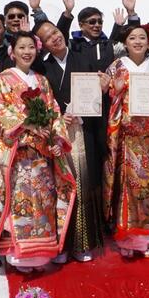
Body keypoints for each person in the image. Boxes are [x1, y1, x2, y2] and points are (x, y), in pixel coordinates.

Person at [0, 31, 76, 270]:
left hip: (42, 153)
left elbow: (54, 110)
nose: (26, 52)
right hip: (19, 153)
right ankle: (19, 254)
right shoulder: (3, 79)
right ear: (12, 52)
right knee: (20, 202)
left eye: (30, 47)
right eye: (21, 48)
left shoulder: (42, 80)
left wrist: (56, 137)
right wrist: (26, 124)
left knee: (43, 201)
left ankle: (42, 253)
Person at [33, 19, 109, 260]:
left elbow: (98, 90)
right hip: (60, 134)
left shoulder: (84, 58)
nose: (54, 38)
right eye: (47, 38)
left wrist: (102, 88)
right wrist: (56, 118)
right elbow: (41, 103)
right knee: (61, 188)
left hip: (84, 131)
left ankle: (82, 242)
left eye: (55, 32)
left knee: (84, 185)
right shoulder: (43, 70)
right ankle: (60, 244)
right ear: (43, 45)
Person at [104, 24, 149, 257]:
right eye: (132, 38)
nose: (137, 41)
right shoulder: (116, 66)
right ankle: (126, 238)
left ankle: (144, 237)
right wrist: (116, 88)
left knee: (148, 186)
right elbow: (109, 95)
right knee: (127, 185)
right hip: (126, 136)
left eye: (142, 38)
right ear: (125, 42)